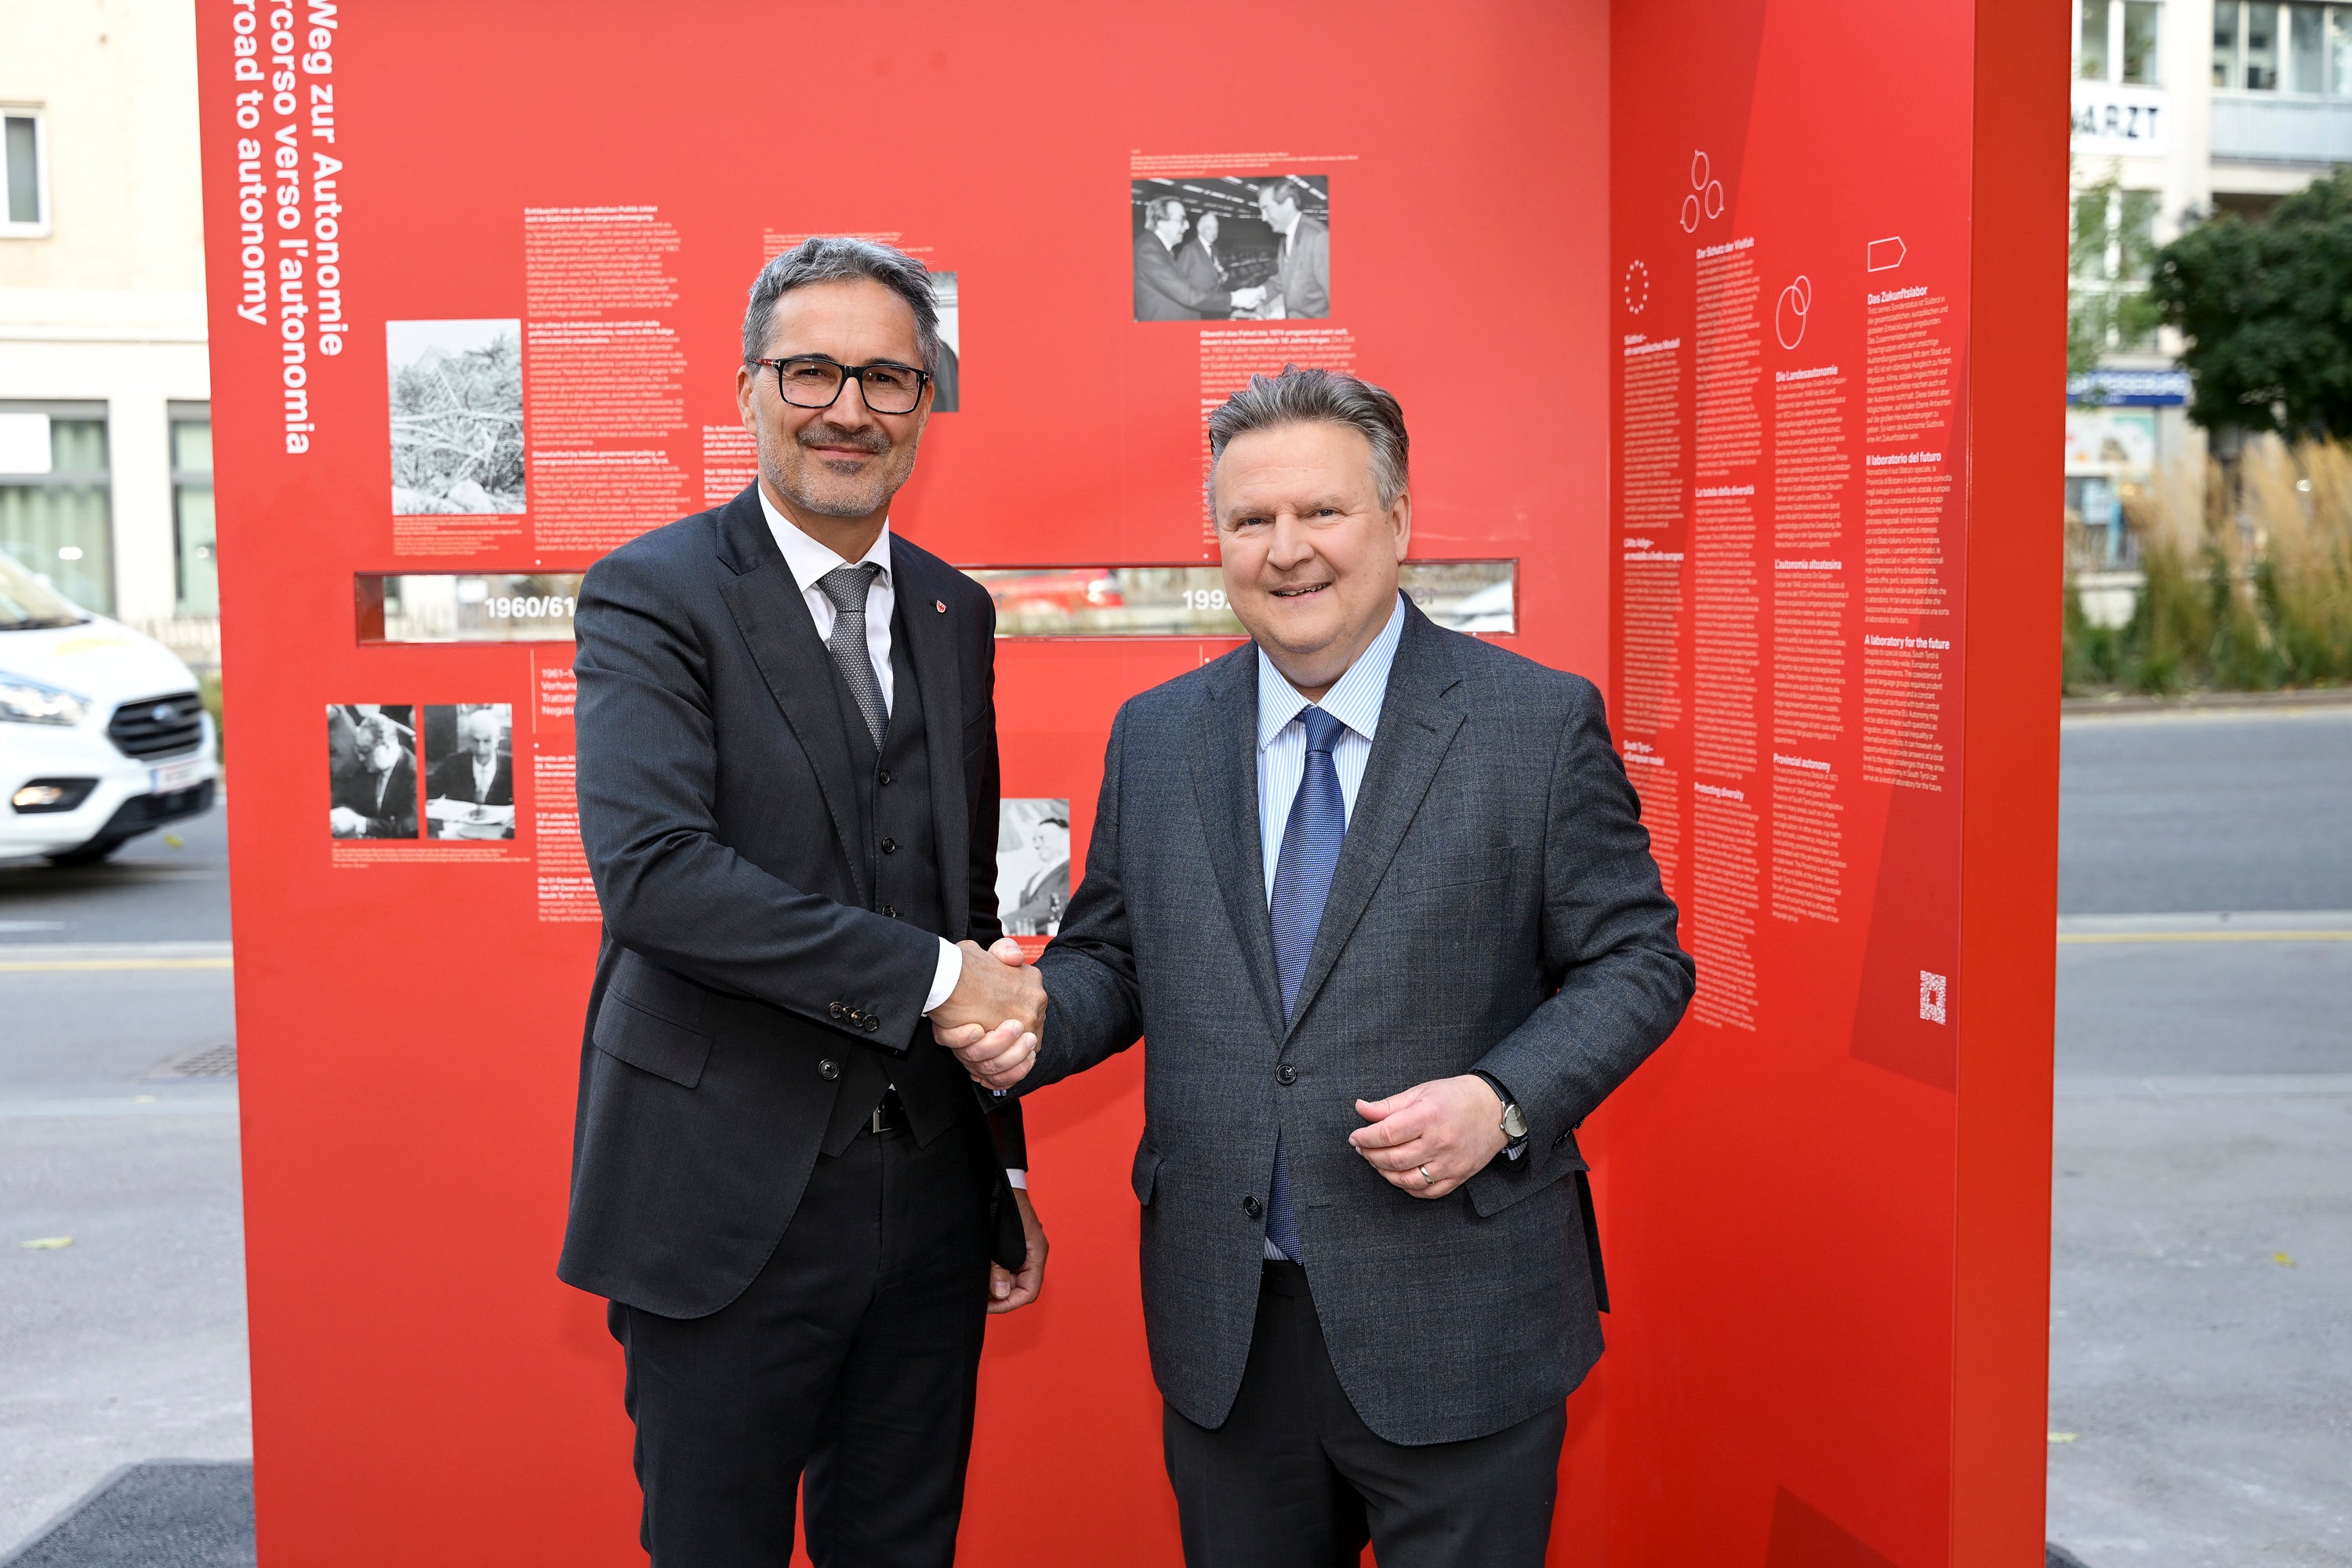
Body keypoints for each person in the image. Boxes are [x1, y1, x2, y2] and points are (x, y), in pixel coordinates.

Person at [945, 368, 1693, 1566]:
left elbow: (1639, 962)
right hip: (1228, 1327)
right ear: (1221, 543)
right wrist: (1033, 1016)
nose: (1287, 551)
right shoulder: (1159, 733)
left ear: (1397, 521)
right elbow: (1116, 960)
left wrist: (1502, 1102)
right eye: (1252, 521)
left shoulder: (1535, 726)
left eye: (1322, 513)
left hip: (1462, 1321)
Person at [559, 237, 1051, 1568]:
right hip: (721, 1202)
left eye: (889, 379)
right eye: (814, 371)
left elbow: (957, 893)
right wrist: (946, 981)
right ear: (748, 390)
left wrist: (998, 1166)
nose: (850, 409)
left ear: (927, 403)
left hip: (929, 1204)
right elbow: (658, 878)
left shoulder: (954, 610)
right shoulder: (654, 594)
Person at [1134, 197, 1264, 321]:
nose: (1187, 226)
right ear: (1161, 222)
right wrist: (1234, 299)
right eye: (1181, 220)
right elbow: (1187, 294)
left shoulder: (1159, 249)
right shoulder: (1148, 250)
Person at [329, 710, 418, 839]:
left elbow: (407, 826)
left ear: (387, 746)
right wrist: (344, 812)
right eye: (358, 750)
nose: (361, 758)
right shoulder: (369, 764)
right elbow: (346, 795)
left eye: (365, 752)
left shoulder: (413, 774)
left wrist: (360, 823)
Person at [1258, 181, 1331, 318]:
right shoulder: (1285, 238)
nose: (1263, 218)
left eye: (1266, 209)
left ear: (1288, 204)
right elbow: (1286, 278)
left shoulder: (1319, 238)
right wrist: (1259, 292)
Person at [426, 707, 513, 807]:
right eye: (476, 740)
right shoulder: (453, 764)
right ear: (469, 739)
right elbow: (428, 791)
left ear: (498, 739)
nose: (481, 746)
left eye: (487, 741)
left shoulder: (512, 766)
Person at [1001, 811, 1069, 936]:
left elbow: (1052, 903)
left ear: (1063, 838)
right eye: (1034, 839)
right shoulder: (1035, 877)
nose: (1036, 845)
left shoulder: (1072, 870)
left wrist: (1005, 923)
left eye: (1042, 838)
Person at [1174, 211, 1229, 304]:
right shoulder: (1190, 250)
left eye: (1216, 228)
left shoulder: (1215, 250)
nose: (1214, 232)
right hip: (1197, 305)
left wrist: (1221, 279)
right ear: (1200, 229)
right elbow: (1179, 282)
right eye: (1209, 228)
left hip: (1215, 302)